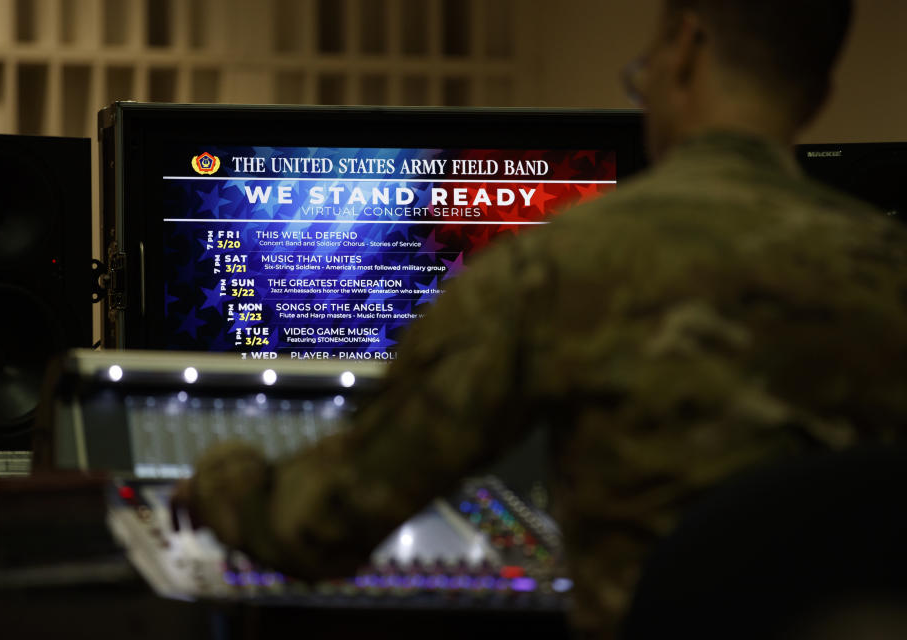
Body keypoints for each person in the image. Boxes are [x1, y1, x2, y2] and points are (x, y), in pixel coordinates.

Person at [178, 0, 907, 636]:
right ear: (816, 94)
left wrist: (220, 479)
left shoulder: (559, 267)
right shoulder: (891, 263)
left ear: (685, 49)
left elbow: (323, 522)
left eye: (644, 65)